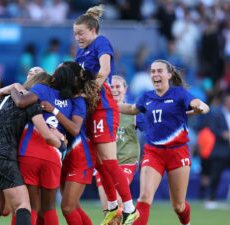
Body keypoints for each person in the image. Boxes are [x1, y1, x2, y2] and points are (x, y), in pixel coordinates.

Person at [118, 59, 210, 225]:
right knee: (144, 196)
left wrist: (201, 107)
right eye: (152, 71)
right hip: (154, 153)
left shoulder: (179, 94)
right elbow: (132, 109)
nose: (155, 74)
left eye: (159, 71)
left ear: (169, 74)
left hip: (178, 153)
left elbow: (199, 104)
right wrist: (109, 106)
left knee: (178, 206)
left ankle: (186, 223)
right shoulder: (146, 97)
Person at [73, 4, 138, 225]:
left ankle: (129, 209)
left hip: (103, 108)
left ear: (92, 30)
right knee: (99, 163)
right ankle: (112, 206)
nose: (77, 37)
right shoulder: (81, 52)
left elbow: (105, 70)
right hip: (91, 109)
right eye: (75, 34)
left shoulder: (101, 42)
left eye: (80, 33)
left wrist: (89, 91)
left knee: (109, 162)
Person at [0, 74, 65, 225]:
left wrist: (11, 86)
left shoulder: (5, 97)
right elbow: (46, 135)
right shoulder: (30, 103)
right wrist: (61, 144)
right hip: (1, 153)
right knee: (23, 205)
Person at [39, 61, 99, 225]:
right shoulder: (57, 95)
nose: (55, 73)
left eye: (60, 70)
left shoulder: (78, 101)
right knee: (73, 206)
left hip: (81, 159)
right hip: (64, 159)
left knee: (67, 207)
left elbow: (74, 129)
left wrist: (54, 111)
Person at [95, 75, 143, 225]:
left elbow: (153, 127)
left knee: (118, 201)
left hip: (125, 162)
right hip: (103, 164)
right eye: (112, 87)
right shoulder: (100, 111)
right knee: (109, 211)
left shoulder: (132, 113)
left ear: (125, 89)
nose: (115, 90)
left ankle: (129, 211)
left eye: (118, 87)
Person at [205, 91, 230, 209]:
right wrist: (223, 134)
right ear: (225, 102)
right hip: (220, 150)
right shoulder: (217, 114)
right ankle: (211, 198)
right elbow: (213, 128)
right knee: (216, 175)